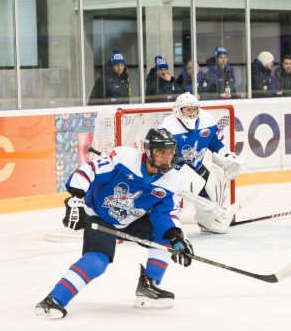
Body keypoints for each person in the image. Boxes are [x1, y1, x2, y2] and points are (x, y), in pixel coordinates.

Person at [34, 128, 194, 318]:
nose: (166, 158)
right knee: (97, 262)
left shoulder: (172, 180)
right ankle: (52, 301)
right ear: (149, 151)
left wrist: (176, 236)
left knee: (166, 239)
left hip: (132, 219)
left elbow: (164, 215)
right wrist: (76, 199)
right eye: (161, 152)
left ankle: (149, 286)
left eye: (170, 153)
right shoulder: (124, 158)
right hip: (100, 215)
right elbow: (89, 171)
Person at [160, 92, 244, 234]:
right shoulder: (168, 126)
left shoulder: (207, 119)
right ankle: (167, 224)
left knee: (214, 186)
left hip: (196, 166)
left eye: (194, 109)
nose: (192, 113)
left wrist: (228, 155)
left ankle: (207, 220)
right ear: (178, 110)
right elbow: (161, 156)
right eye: (188, 109)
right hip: (174, 169)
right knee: (171, 198)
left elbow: (215, 142)